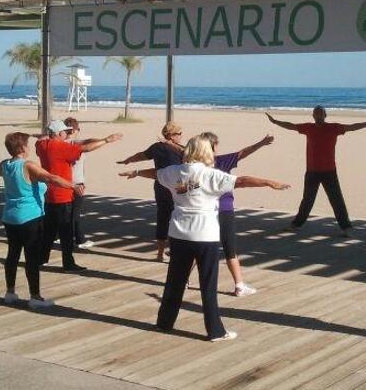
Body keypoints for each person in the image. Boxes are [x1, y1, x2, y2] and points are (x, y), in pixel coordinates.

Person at [120, 135, 289, 341]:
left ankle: (164, 323)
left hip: (179, 234)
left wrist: (136, 172)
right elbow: (242, 181)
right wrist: (269, 182)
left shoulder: (173, 171)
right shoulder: (211, 175)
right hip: (205, 235)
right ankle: (216, 331)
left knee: (174, 282)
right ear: (205, 152)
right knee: (208, 285)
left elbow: (155, 173)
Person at [0, 132, 82, 309]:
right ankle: (35, 297)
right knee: (31, 257)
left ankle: (10, 293)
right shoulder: (27, 166)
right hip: (30, 217)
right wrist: (73, 185)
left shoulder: (5, 165)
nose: (28, 147)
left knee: (12, 254)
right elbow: (51, 178)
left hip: (10, 217)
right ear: (22, 148)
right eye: (27, 144)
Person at [164, 132, 274, 296]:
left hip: (203, 214)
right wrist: (262, 143)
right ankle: (239, 285)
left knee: (198, 248)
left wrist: (168, 144)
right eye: (215, 146)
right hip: (223, 210)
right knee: (230, 249)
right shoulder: (220, 161)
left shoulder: (189, 165)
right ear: (211, 148)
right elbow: (243, 154)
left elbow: (182, 151)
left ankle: (184, 280)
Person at [266, 106, 366, 237]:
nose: (318, 115)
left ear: (325, 115)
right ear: (313, 116)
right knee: (307, 200)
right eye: (315, 113)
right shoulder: (308, 127)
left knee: (337, 200)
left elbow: (352, 127)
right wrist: (275, 121)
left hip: (329, 172)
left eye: (320, 113)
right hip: (312, 171)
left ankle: (346, 227)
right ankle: (296, 224)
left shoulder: (334, 128)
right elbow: (291, 126)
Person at [36, 119, 123, 272]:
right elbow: (85, 148)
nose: (67, 134)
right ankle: (68, 264)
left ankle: (42, 259)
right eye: (65, 132)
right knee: (66, 232)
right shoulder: (60, 147)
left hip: (49, 195)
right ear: (59, 133)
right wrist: (106, 140)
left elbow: (41, 140)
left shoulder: (42, 146)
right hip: (63, 195)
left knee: (49, 230)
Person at [117, 121, 184, 261]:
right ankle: (175, 251)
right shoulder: (180, 150)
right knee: (178, 218)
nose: (181, 136)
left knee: (163, 218)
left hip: (160, 185)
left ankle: (160, 253)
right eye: (179, 133)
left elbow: (141, 155)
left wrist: (128, 160)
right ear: (171, 136)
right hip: (176, 187)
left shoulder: (156, 147)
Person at [64, 117, 95, 248]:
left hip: (63, 181)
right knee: (75, 213)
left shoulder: (58, 144)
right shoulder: (76, 144)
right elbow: (92, 142)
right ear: (76, 130)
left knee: (65, 212)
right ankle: (79, 239)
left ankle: (60, 235)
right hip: (76, 181)